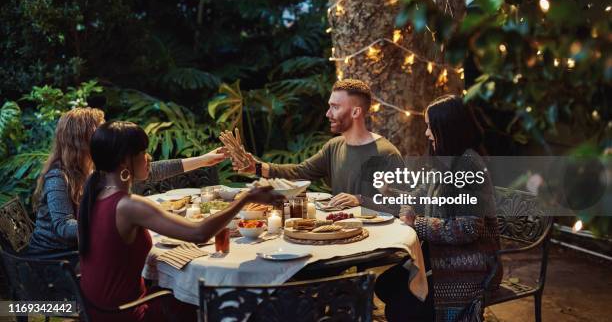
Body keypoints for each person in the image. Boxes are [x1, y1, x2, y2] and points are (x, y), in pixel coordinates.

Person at [78, 121, 280, 322]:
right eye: (143, 152)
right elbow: (199, 233)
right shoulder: (128, 206)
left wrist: (204, 160)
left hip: (97, 310)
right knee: (222, 302)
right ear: (124, 161)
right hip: (128, 313)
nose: (148, 158)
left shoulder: (95, 192)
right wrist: (245, 198)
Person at [27, 107, 225, 256]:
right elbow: (63, 227)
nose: (107, 132)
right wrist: (112, 223)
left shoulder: (95, 166)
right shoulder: (58, 177)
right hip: (55, 261)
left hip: (85, 248)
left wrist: (204, 160)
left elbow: (149, 170)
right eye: (100, 129)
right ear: (83, 138)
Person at [375, 95, 502, 322]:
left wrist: (417, 223)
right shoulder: (444, 161)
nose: (426, 133)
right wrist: (391, 194)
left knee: (398, 310)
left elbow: (469, 227)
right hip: (439, 254)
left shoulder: (469, 165)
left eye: (430, 127)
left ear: (447, 128)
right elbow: (418, 197)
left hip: (471, 264)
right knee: (384, 286)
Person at [231, 79, 405, 211]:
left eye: (335, 107)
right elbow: (300, 172)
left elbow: (403, 204)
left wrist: (360, 199)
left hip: (376, 241)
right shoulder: (334, 146)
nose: (328, 113)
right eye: (330, 106)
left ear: (356, 112)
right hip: (341, 231)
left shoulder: (385, 154)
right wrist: (258, 168)